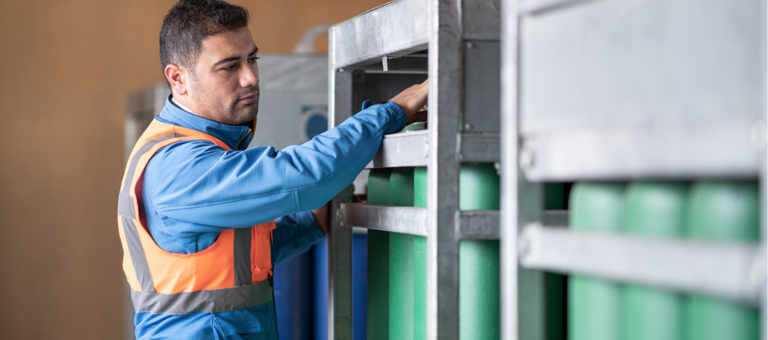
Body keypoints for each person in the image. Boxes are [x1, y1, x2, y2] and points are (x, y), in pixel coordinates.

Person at [117, 0, 429, 339]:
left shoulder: (197, 147)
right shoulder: (177, 166)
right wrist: (390, 112)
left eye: (252, 59)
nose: (250, 78)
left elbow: (231, 262)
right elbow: (305, 177)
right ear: (178, 79)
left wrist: (311, 222)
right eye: (228, 67)